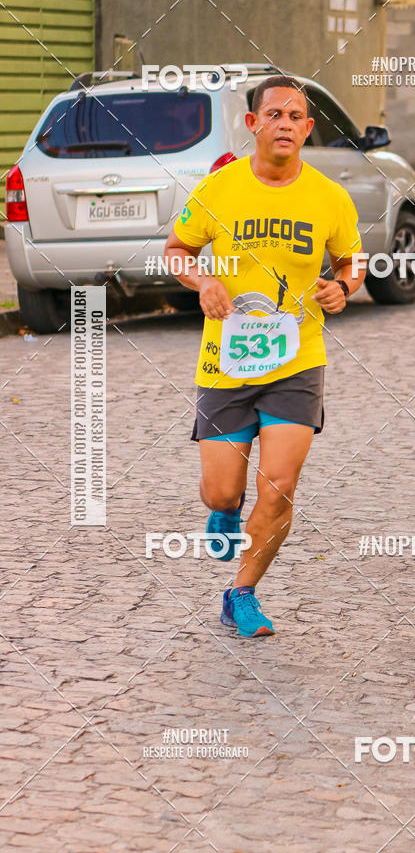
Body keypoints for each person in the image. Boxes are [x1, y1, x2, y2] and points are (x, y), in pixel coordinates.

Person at [163, 75, 365, 638]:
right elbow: (177, 249)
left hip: (298, 358)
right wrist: (202, 281)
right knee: (223, 489)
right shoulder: (219, 190)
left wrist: (342, 288)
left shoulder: (329, 196)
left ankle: (241, 593)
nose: (285, 124)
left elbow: (353, 261)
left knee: (279, 486)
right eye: (273, 114)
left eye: (296, 115)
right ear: (252, 124)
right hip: (226, 361)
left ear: (307, 128)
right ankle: (225, 510)